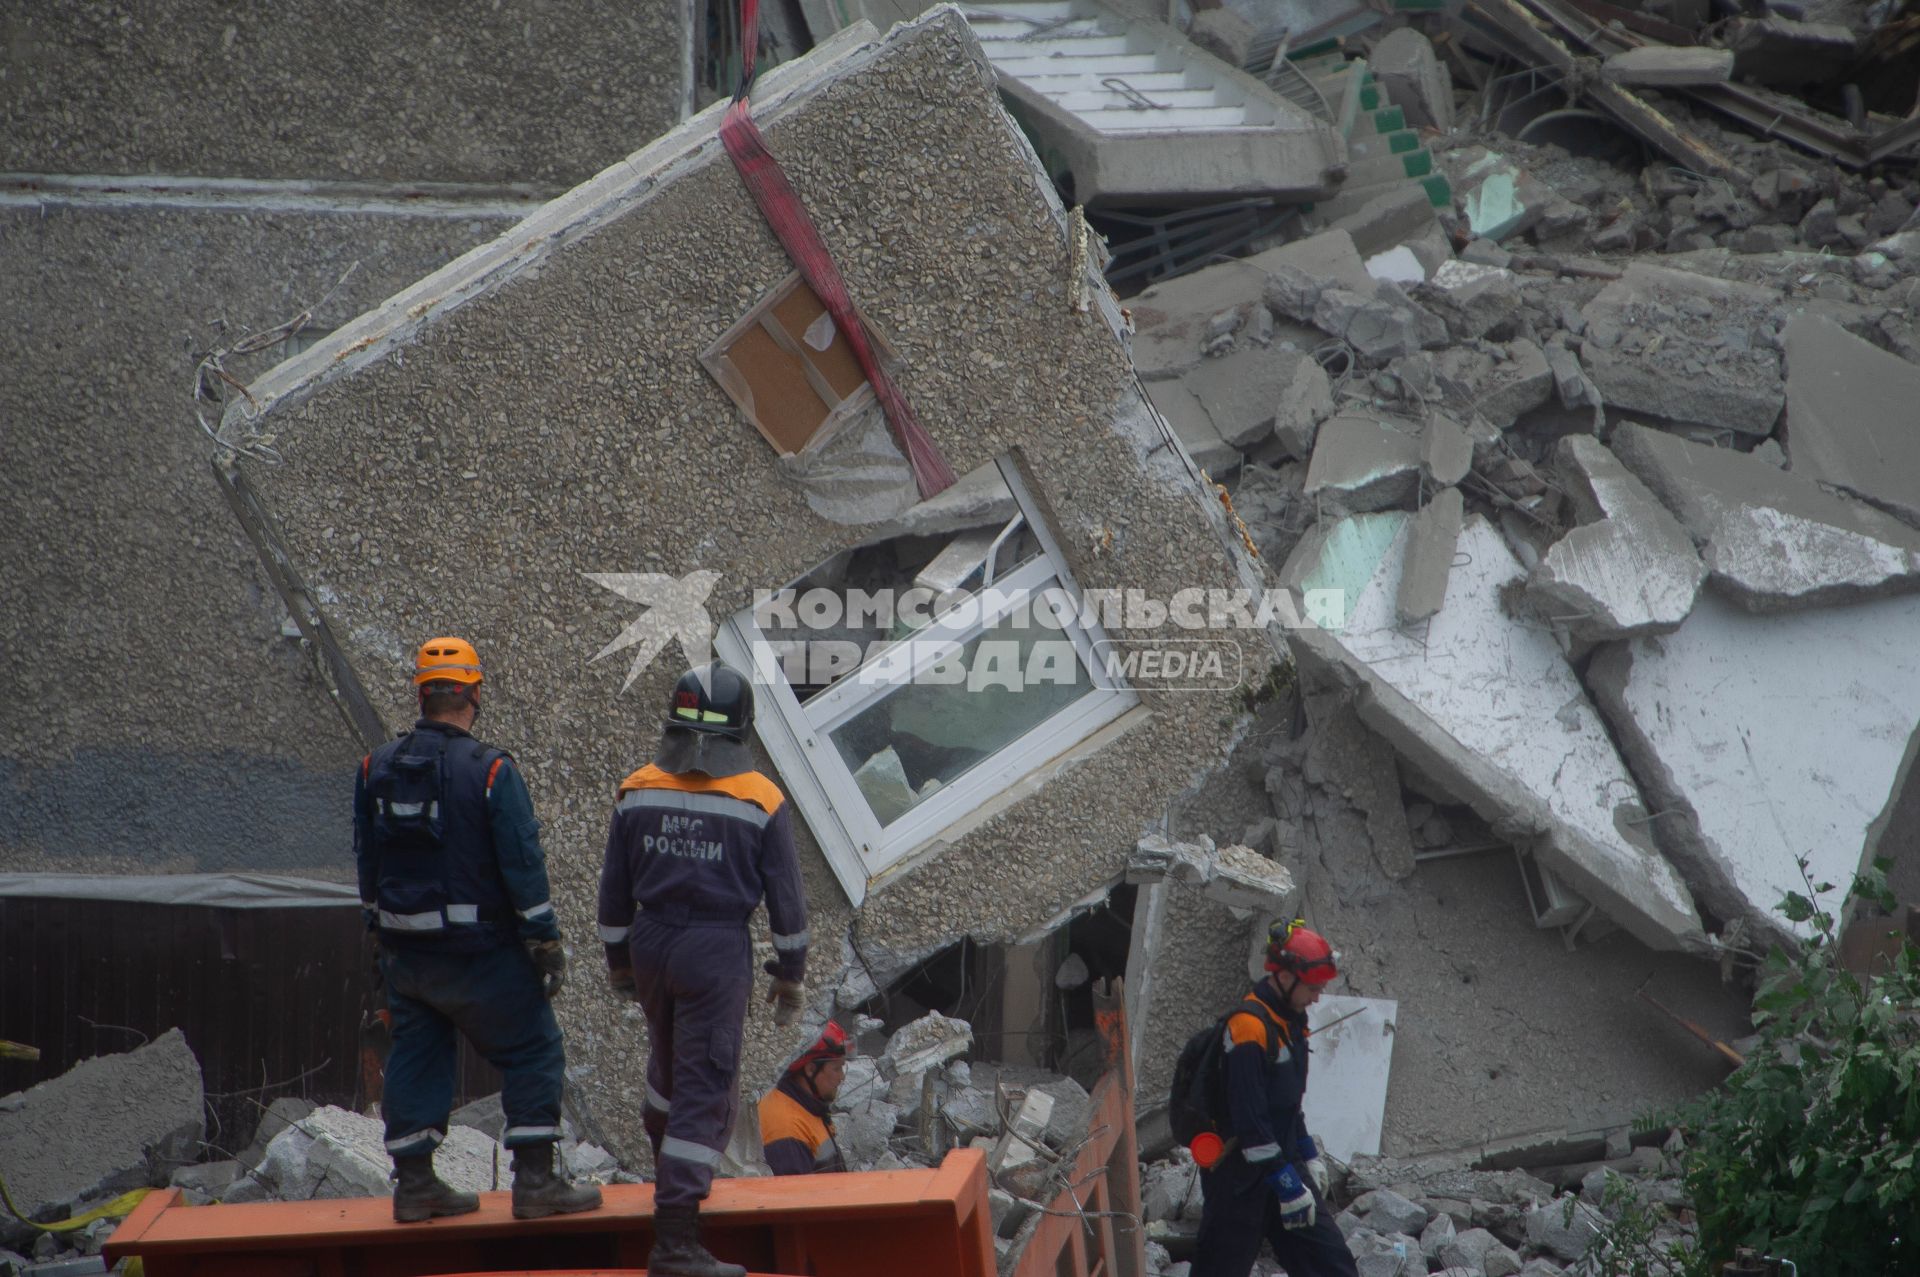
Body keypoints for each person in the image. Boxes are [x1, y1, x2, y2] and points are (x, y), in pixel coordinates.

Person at [356, 637, 603, 1223]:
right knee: (535, 1047)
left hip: (407, 956)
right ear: (473, 693)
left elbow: (367, 858)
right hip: (480, 954)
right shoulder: (492, 770)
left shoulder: (376, 766)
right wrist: (544, 940)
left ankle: (415, 1185)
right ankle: (536, 1183)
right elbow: (522, 859)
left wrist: (376, 931)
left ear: (422, 694)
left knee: (417, 1052)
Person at [598, 662, 810, 1277]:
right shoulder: (760, 797)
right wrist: (790, 973)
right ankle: (675, 1242)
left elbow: (613, 894)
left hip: (651, 940)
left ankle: (670, 1175)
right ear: (741, 729)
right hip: (714, 952)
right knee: (706, 1085)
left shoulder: (636, 789)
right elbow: (788, 903)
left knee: (667, 1065)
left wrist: (619, 962)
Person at [1191, 919, 1358, 1277]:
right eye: (1312, 988)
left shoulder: (1291, 1022)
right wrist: (1286, 1184)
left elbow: (1286, 1104)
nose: (1317, 997)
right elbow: (1251, 1123)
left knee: (1333, 1266)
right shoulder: (1249, 1029)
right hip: (1240, 1179)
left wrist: (1307, 1153)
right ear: (1284, 977)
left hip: (1283, 1162)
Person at [759, 1023, 850, 1176]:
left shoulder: (807, 1107)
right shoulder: (786, 1130)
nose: (842, 1077)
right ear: (810, 1069)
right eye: (836, 1068)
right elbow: (794, 1197)